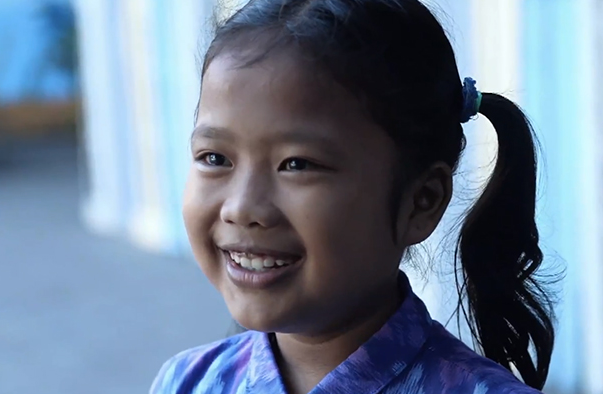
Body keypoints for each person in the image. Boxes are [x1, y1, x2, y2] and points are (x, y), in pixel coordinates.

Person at [150, 0, 556, 393]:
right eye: (215, 157)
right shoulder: (186, 382)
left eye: (297, 164)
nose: (241, 208)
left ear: (422, 201)